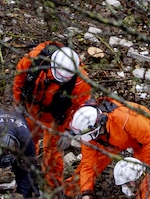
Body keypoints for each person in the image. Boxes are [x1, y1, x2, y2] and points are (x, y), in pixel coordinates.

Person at [12, 42, 92, 191]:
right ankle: (25, 177)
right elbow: (20, 76)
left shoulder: (81, 82)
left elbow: (81, 109)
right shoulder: (36, 58)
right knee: (26, 143)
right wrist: (18, 102)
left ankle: (53, 189)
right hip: (31, 109)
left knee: (53, 155)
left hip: (55, 119)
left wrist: (69, 132)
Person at [67, 98, 150, 199]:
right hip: (111, 140)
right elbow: (88, 166)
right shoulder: (91, 137)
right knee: (88, 167)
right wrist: (86, 196)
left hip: (143, 136)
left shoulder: (122, 118)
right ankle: (68, 193)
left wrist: (143, 169)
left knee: (139, 177)